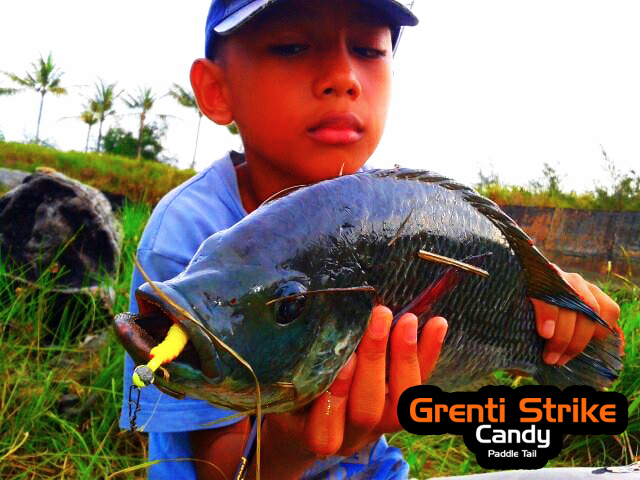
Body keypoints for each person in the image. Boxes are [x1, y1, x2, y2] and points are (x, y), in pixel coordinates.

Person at [119, 0, 621, 478]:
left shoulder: (386, 206)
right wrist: (298, 440)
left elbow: (494, 272)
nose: (343, 77)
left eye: (367, 50)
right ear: (216, 89)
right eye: (292, 46)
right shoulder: (185, 231)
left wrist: (551, 305)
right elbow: (217, 472)